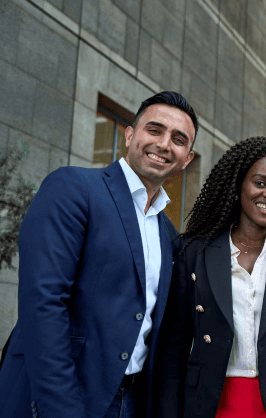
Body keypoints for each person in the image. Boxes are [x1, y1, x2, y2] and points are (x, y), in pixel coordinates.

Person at [0, 92, 198, 418]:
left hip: (130, 402)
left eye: (178, 139)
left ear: (187, 158)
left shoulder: (169, 234)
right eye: (154, 130)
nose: (164, 144)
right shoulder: (74, 188)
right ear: (130, 134)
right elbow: (43, 304)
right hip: (58, 397)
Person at [156, 136, 266, 418]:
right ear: (238, 187)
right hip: (207, 402)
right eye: (260, 183)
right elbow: (173, 349)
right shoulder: (194, 252)